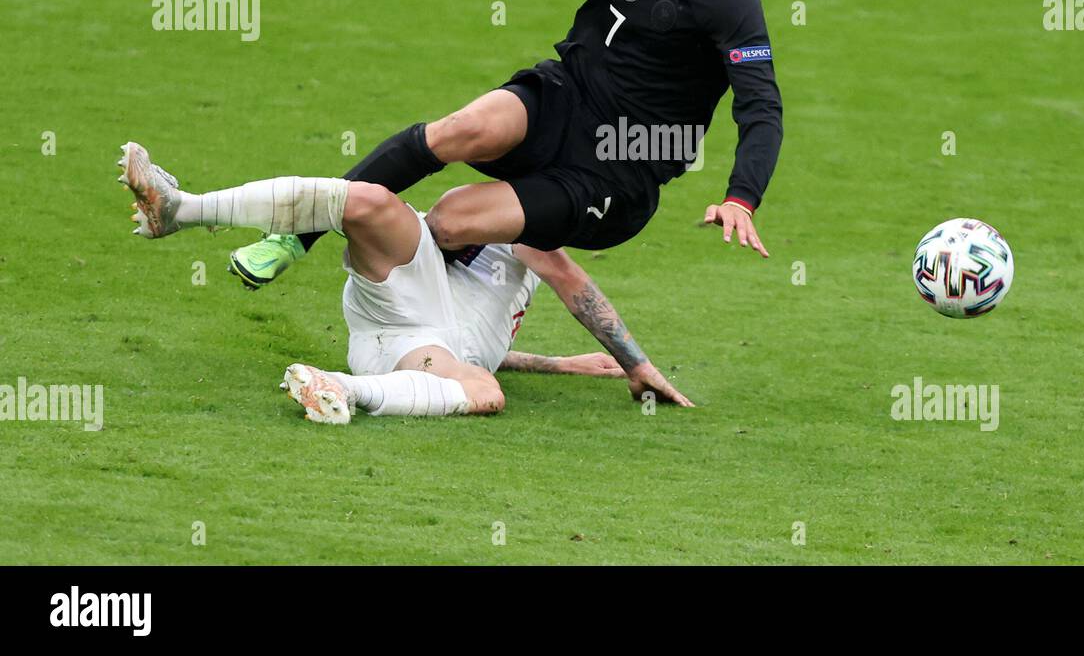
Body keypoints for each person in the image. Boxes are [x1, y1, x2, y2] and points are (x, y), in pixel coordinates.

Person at [229, 0, 783, 290]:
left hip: (623, 163)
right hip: (569, 96)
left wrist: (741, 197)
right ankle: (296, 237)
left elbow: (761, 107)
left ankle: (440, 311)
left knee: (449, 221)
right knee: (454, 131)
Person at [118, 141, 692, 424]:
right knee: (369, 201)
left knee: (483, 387)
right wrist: (638, 365)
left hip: (411, 348)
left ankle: (340, 385)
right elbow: (571, 281)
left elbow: (487, 348)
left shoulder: (518, 226)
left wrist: (558, 364)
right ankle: (183, 208)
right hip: (411, 305)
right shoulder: (520, 221)